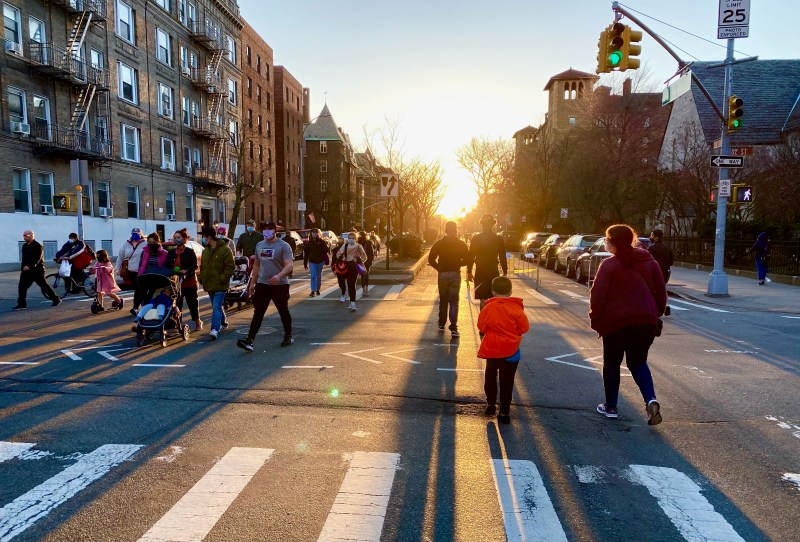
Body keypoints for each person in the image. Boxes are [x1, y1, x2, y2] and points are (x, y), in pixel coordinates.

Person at [589, 224, 667, 426]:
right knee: (638, 362)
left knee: (612, 362)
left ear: (612, 242)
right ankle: (650, 399)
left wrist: (595, 318)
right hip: (645, 322)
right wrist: (655, 314)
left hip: (615, 323)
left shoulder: (609, 265)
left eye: (607, 240)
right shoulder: (650, 262)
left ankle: (611, 406)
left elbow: (597, 296)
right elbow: (661, 292)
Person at [477, 276, 530, 424]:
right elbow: (524, 328)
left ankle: (491, 404)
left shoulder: (488, 307)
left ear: (493, 292)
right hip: (510, 350)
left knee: (490, 376)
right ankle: (504, 412)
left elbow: (482, 326)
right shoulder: (516, 308)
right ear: (510, 291)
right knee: (507, 381)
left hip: (492, 348)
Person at [237, 221, 294, 351]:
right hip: (263, 284)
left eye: (270, 229)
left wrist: (279, 276)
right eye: (265, 229)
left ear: (275, 231)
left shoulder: (283, 246)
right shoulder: (259, 245)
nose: (267, 231)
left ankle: (288, 335)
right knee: (258, 312)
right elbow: (257, 264)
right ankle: (249, 340)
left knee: (283, 310)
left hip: (279, 284)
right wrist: (253, 283)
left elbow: (289, 265)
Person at [428, 221, 469, 338]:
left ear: (445, 230)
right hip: (455, 274)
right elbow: (467, 259)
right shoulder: (461, 244)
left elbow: (431, 259)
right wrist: (459, 264)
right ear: (455, 230)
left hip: (442, 274)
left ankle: (441, 323)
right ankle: (453, 327)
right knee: (454, 301)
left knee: (443, 299)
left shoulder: (439, 243)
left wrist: (439, 268)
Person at [199, 226, 234, 340]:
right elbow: (203, 266)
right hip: (209, 284)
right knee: (217, 306)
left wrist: (223, 278)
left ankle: (214, 329)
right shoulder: (205, 251)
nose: (203, 239)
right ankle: (223, 322)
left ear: (209, 237)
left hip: (220, 284)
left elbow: (230, 266)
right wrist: (202, 278)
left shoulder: (225, 249)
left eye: (204, 237)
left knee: (216, 307)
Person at [467, 214, 508, 310]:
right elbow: (502, 257)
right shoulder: (498, 239)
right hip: (493, 272)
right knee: (494, 298)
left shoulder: (476, 238)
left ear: (482, 224)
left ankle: (483, 320)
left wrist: (469, 271)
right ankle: (493, 320)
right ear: (493, 225)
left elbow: (471, 256)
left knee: (483, 299)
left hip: (480, 272)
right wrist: (505, 272)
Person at [15, 230, 60, 310]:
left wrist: (30, 266)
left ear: (31, 235)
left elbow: (37, 258)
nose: (24, 237)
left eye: (25, 235)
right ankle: (21, 304)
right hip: (26, 271)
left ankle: (56, 299)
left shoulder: (38, 245)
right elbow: (24, 258)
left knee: (43, 285)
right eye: (23, 235)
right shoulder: (24, 246)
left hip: (37, 271)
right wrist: (23, 268)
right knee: (22, 286)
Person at [166, 229, 201, 331]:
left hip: (189, 282)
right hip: (176, 283)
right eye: (175, 238)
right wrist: (171, 272)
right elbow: (167, 265)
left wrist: (186, 270)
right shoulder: (171, 252)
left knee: (193, 304)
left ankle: (197, 322)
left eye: (179, 237)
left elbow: (195, 265)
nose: (177, 239)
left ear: (184, 239)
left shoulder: (189, 251)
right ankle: (177, 325)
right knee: (177, 305)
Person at [336, 231, 367, 312]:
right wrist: (342, 258)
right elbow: (338, 254)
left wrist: (357, 259)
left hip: (353, 267)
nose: (351, 240)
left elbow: (364, 257)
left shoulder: (359, 246)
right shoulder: (345, 245)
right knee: (342, 283)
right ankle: (347, 296)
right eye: (349, 238)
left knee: (352, 285)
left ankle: (353, 303)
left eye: (353, 238)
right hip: (345, 267)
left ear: (356, 239)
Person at [116, 228, 145, 315]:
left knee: (139, 289)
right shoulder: (126, 243)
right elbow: (120, 256)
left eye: (137, 233)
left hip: (142, 271)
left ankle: (136, 307)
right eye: (134, 233)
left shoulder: (145, 243)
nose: (136, 235)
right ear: (131, 234)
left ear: (141, 234)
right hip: (131, 271)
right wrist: (117, 268)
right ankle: (141, 305)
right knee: (138, 289)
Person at [648, 229, 674, 316]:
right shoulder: (667, 248)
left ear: (656, 237)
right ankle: (666, 306)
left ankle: (654, 307)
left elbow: (648, 261)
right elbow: (671, 262)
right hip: (665, 272)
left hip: (654, 272)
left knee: (652, 290)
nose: (650, 237)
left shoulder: (651, 248)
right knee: (663, 289)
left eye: (652, 235)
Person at [304, 228, 329, 297]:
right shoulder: (309, 243)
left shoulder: (321, 241)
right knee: (313, 276)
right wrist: (305, 263)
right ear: (311, 234)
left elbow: (327, 249)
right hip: (312, 262)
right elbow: (306, 254)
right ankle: (313, 290)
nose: (314, 233)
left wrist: (324, 249)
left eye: (316, 232)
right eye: (313, 232)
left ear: (318, 233)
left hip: (320, 261)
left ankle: (317, 289)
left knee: (318, 276)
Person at [357, 230, 375, 297]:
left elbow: (371, 253)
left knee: (364, 275)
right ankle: (365, 290)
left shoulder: (367, 243)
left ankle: (365, 290)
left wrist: (370, 261)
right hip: (362, 261)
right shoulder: (358, 243)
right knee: (364, 275)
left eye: (360, 235)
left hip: (365, 261)